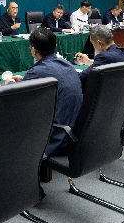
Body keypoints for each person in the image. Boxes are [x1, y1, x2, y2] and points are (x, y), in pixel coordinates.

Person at [8, 28, 82, 157]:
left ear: (33, 50)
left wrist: (9, 83)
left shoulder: (38, 71)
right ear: (55, 45)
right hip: (75, 133)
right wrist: (25, 80)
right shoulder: (68, 65)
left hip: (56, 138)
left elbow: (15, 96)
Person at [76, 25, 124, 123]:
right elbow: (111, 62)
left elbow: (81, 78)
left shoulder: (105, 57)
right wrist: (89, 62)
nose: (93, 46)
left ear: (99, 43)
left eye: (92, 43)